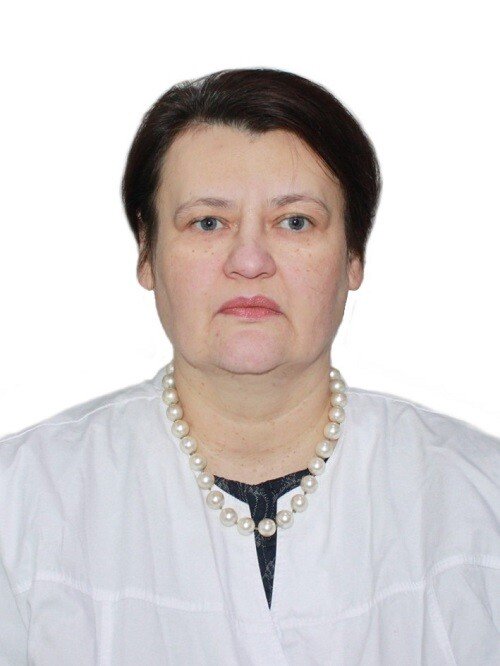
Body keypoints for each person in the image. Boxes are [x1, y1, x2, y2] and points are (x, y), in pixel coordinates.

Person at [0, 67, 498, 665]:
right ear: (147, 254)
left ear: (354, 256)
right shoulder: (23, 501)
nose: (250, 260)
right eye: (208, 222)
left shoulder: (478, 498)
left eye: (296, 222)